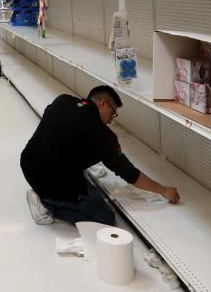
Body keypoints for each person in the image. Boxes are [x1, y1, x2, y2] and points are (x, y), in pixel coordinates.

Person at [20, 86, 180, 226]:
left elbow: (55, 126)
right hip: (51, 184)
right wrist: (163, 190)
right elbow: (130, 173)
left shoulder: (63, 100)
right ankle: (46, 204)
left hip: (28, 164)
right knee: (105, 217)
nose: (111, 120)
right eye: (112, 113)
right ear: (103, 103)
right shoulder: (103, 136)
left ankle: (48, 192)